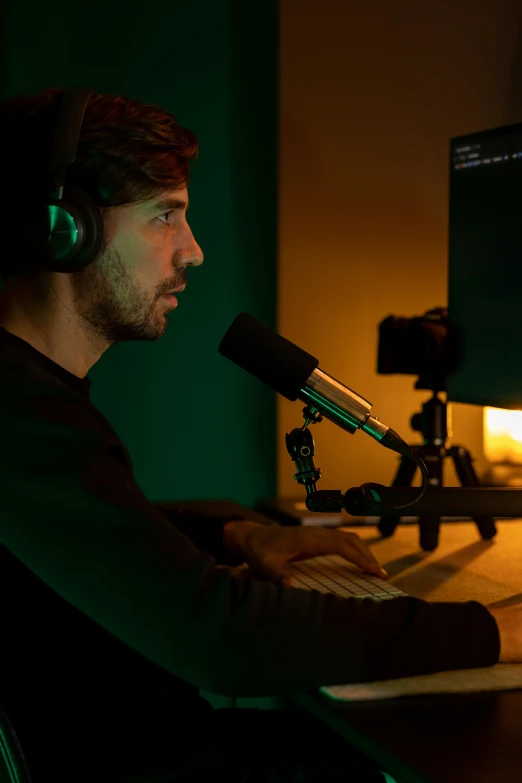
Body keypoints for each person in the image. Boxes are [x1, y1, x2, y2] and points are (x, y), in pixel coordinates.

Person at [0, 87, 518, 783]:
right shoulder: (21, 412)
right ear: (64, 227)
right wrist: (493, 629)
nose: (194, 250)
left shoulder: (32, 402)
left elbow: (99, 533)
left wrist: (235, 535)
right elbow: (219, 636)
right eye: (165, 216)